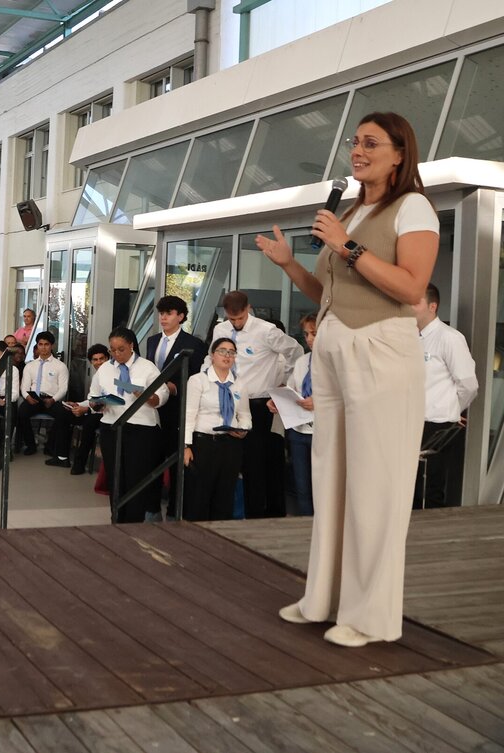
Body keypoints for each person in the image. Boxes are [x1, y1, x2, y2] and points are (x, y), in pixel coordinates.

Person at [256, 111, 439, 647]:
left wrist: (345, 246)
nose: (357, 151)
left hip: (381, 351)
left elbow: (412, 288)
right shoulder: (355, 211)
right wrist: (290, 264)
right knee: (331, 479)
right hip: (336, 353)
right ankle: (324, 599)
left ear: (399, 154)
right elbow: (330, 294)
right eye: (355, 142)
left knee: (375, 485)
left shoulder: (414, 207)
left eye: (371, 143)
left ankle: (368, 617)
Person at [207, 290, 302, 518]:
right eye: (232, 319)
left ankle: (259, 516)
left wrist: (284, 384)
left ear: (248, 308)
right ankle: (235, 514)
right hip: (229, 400)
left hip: (258, 403)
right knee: (232, 461)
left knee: (257, 463)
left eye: (240, 318)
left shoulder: (266, 330)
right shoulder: (221, 330)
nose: (236, 323)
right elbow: (211, 358)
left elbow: (296, 351)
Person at [90, 327, 168, 523]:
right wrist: (96, 403)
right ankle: (117, 518)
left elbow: (162, 395)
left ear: (131, 346)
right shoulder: (105, 369)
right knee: (115, 476)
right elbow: (93, 396)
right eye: (112, 350)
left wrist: (146, 395)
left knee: (136, 476)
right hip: (111, 426)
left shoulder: (147, 367)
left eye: (121, 349)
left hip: (141, 428)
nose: (116, 354)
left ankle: (134, 521)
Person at [412, 283, 478, 508]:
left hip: (436, 424)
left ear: (433, 306)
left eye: (415, 302)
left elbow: (468, 384)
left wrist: (452, 410)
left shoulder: (450, 338)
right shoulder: (409, 337)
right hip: (410, 421)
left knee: (429, 489)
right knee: (409, 489)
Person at [145, 295, 207, 519]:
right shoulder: (152, 341)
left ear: (180, 316)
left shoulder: (193, 344)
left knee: (175, 463)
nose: (163, 318)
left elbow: (197, 377)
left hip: (178, 410)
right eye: (161, 313)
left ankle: (174, 511)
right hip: (153, 409)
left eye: (169, 313)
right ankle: (152, 509)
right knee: (152, 459)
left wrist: (176, 388)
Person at [183, 338, 252, 521]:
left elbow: (245, 414)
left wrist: (243, 429)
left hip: (230, 443)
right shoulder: (198, 380)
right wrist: (186, 446)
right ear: (212, 355)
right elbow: (189, 415)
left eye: (231, 352)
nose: (227, 356)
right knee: (199, 495)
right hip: (204, 442)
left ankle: (220, 535)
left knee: (225, 495)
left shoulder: (239, 384)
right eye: (222, 351)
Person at [268, 314, 318, 516]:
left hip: (323, 431)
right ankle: (306, 524)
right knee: (301, 486)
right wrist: (278, 401)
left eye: (314, 334)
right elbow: (292, 389)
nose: (309, 339)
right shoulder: (302, 361)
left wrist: (320, 402)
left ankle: (324, 527)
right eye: (306, 334)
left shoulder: (337, 363)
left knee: (323, 484)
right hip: (299, 429)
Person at [16, 331, 71, 465]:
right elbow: (24, 387)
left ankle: (50, 446)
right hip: (34, 398)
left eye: (46, 344)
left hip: (52, 399)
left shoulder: (60, 366)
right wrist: (27, 397)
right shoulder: (30, 366)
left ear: (52, 346)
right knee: (21, 413)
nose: (43, 347)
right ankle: (30, 445)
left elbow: (63, 388)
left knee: (63, 415)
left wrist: (53, 400)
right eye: (40, 344)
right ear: (37, 346)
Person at [63, 343, 109, 476]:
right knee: (65, 415)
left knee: (89, 423)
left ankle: (79, 464)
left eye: (102, 359)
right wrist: (77, 404)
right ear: (91, 362)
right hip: (97, 410)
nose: (99, 362)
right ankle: (61, 456)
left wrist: (86, 410)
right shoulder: (96, 376)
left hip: (108, 412)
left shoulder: (112, 374)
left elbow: (107, 401)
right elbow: (92, 400)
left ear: (107, 358)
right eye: (95, 360)